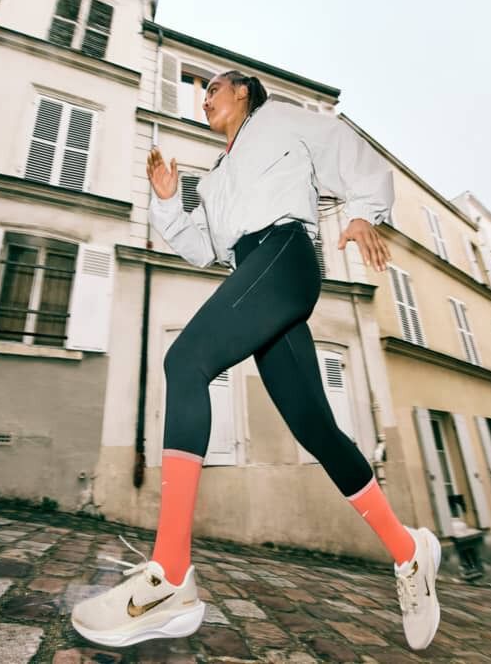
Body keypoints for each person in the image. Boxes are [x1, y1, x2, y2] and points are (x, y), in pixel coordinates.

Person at [71, 70, 441, 651]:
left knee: (185, 362)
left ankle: (171, 577)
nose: (204, 99)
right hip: (254, 271)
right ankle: (409, 550)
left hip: (286, 256)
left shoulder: (281, 122)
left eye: (212, 89)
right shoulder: (215, 178)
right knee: (317, 429)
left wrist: (364, 213)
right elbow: (203, 249)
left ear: (243, 91)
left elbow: (351, 152)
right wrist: (167, 202)